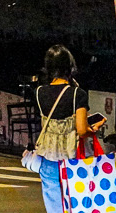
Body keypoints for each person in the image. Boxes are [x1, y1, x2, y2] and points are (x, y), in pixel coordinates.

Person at [27, 45, 92, 213]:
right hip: (72, 158)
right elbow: (82, 130)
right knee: (76, 205)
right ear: (70, 66)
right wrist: (94, 128)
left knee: (54, 206)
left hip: (48, 158)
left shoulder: (39, 92)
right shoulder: (78, 94)